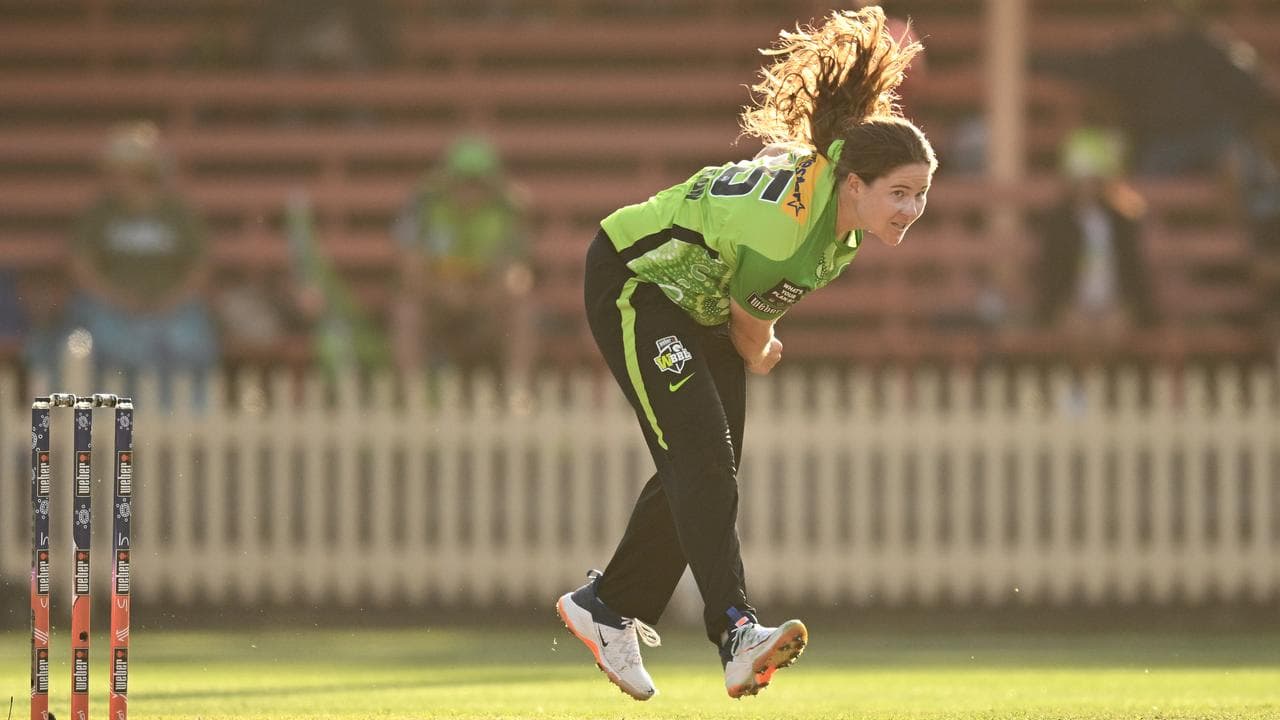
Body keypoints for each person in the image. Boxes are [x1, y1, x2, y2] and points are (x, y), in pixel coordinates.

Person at [556, 7, 934, 701]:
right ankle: (735, 631)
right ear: (856, 185)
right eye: (899, 193)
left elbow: (766, 190)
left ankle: (607, 607)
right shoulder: (796, 240)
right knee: (703, 459)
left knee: (705, 465)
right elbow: (749, 326)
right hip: (635, 285)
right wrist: (761, 352)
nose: (910, 209)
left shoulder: (830, 200)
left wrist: (754, 333)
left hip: (701, 301)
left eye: (920, 196)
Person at [66, 122, 218, 398]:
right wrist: (119, 300)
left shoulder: (178, 212)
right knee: (108, 342)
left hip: (174, 306)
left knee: (190, 342)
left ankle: (189, 421)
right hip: (110, 307)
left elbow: (199, 267)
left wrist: (169, 301)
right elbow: (83, 268)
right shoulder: (100, 213)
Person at [391, 137, 534, 404]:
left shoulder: (507, 211)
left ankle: (517, 395)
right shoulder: (425, 207)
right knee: (407, 311)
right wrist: (442, 291)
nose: (469, 191)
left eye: (477, 183)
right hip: (437, 308)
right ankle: (413, 397)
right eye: (463, 182)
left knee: (521, 311)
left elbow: (518, 274)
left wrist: (482, 295)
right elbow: (409, 269)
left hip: (485, 311)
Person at [1033, 127, 1157, 360]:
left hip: (1113, 305)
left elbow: (1132, 268)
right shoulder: (1058, 223)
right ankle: (1085, 388)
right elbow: (1050, 272)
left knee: (1113, 333)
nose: (1087, 187)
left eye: (1093, 180)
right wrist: (1060, 308)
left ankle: (1096, 387)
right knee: (1078, 334)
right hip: (1073, 306)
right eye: (1081, 180)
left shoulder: (1120, 222)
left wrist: (1130, 308)